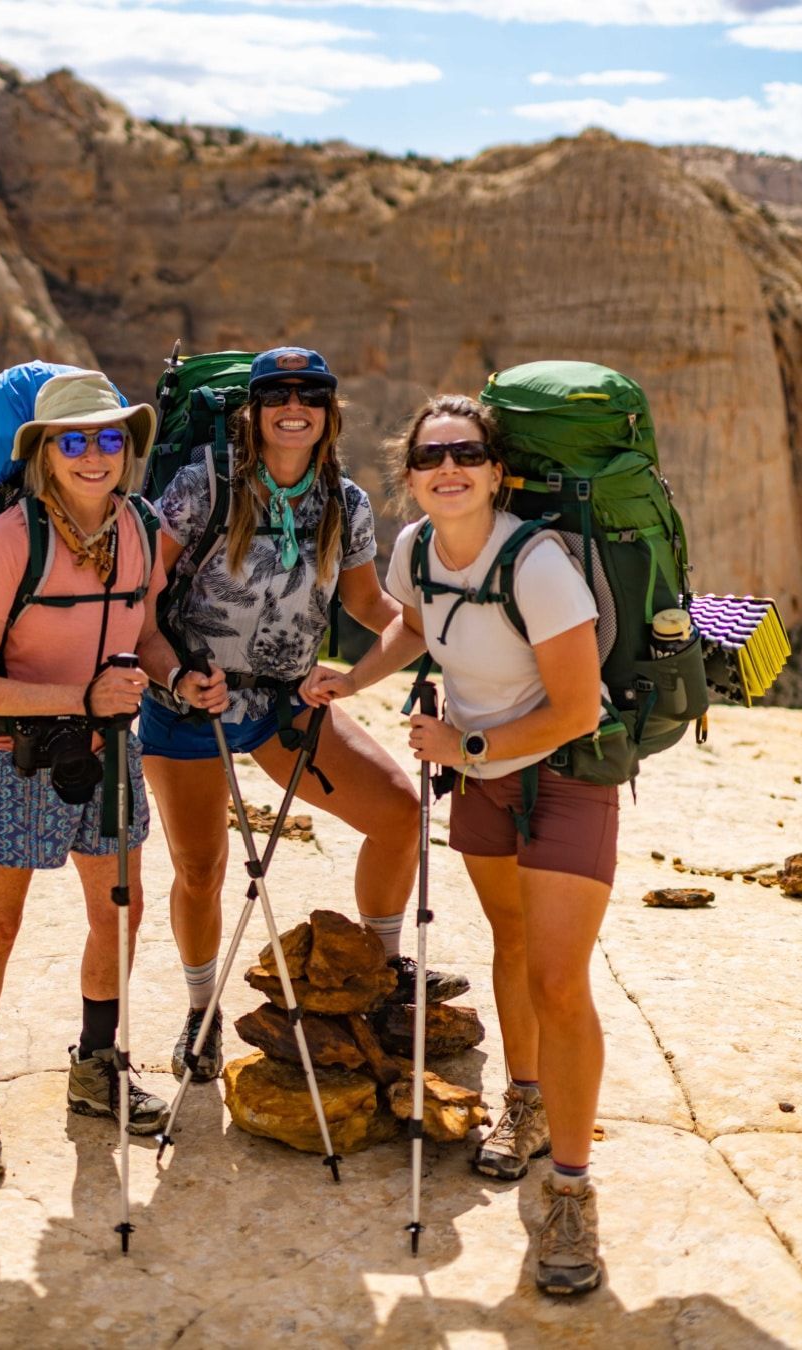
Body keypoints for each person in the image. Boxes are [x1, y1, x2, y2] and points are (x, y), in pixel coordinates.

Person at [305, 393, 617, 1296]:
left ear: (497, 470)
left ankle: (571, 1188)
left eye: (468, 454)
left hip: (565, 776)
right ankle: (522, 1104)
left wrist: (467, 747)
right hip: (483, 780)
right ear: (409, 478)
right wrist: (354, 678)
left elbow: (576, 708)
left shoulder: (538, 562)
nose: (451, 468)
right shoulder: (414, 552)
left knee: (559, 981)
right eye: (433, 455)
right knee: (511, 947)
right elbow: (413, 621)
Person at [140, 346, 466, 1085]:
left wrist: (437, 639)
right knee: (201, 869)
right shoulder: (204, 488)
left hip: (288, 700)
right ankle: (201, 1010)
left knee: (399, 815)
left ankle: (382, 980)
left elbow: (366, 605)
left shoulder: (343, 503)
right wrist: (175, 674)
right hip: (192, 705)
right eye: (277, 394)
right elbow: (139, 596)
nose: (295, 407)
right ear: (251, 412)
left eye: (311, 395)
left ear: (329, 412)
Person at [0, 370, 227, 1182]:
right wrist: (82, 696)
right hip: (9, 760)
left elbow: (147, 641)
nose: (95, 454)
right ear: (46, 453)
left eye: (110, 437)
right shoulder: (8, 541)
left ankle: (97, 1068)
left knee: (119, 916)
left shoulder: (137, 530)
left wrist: (177, 680)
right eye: (75, 439)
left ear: (128, 447)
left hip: (106, 757)